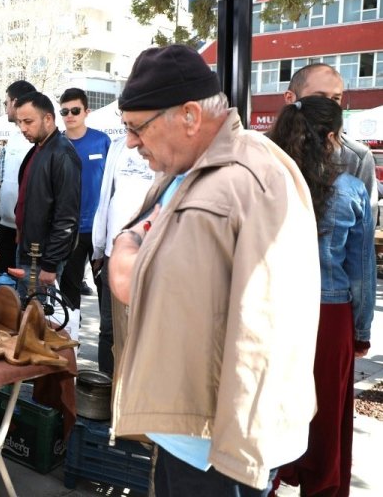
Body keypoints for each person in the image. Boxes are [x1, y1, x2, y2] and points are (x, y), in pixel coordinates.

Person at [108, 44, 320, 495]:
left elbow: (268, 325)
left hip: (217, 449)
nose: (129, 142)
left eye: (136, 128)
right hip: (184, 431)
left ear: (188, 115)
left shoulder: (251, 178)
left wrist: (126, 246)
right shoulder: (190, 167)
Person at [268, 97, 375, 497]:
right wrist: (361, 329)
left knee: (273, 409)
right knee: (328, 417)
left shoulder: (271, 183)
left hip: (277, 311)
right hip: (330, 317)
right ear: (331, 137)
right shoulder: (349, 189)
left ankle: (269, 483)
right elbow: (361, 269)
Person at [90, 136, 154, 377]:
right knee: (109, 328)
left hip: (149, 254)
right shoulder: (117, 146)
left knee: (144, 330)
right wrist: (99, 245)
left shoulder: (164, 145)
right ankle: (105, 386)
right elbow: (105, 197)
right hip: (113, 252)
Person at [283, 63, 378, 224]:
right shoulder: (263, 147)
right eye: (319, 97)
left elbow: (364, 225)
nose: (328, 105)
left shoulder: (356, 156)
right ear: (290, 98)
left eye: (336, 98)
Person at [57, 88, 110, 361]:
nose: (69, 116)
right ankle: (69, 356)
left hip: (101, 229)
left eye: (75, 110)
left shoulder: (102, 141)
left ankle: (107, 359)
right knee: (69, 295)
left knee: (106, 295)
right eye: (64, 111)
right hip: (69, 231)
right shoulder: (57, 144)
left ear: (86, 111)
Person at [13, 92, 81, 296]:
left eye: (28, 121)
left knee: (38, 321)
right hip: (29, 251)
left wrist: (50, 264)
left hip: (42, 259)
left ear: (48, 119)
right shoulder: (38, 149)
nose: (23, 128)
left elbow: (67, 216)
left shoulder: (62, 154)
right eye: (19, 122)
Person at [0, 80, 36, 277]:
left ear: (16, 102)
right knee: (1, 290)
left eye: (6, 103)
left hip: (27, 234)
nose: (5, 108)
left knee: (23, 295)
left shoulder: (35, 139)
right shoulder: (13, 137)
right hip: (6, 227)